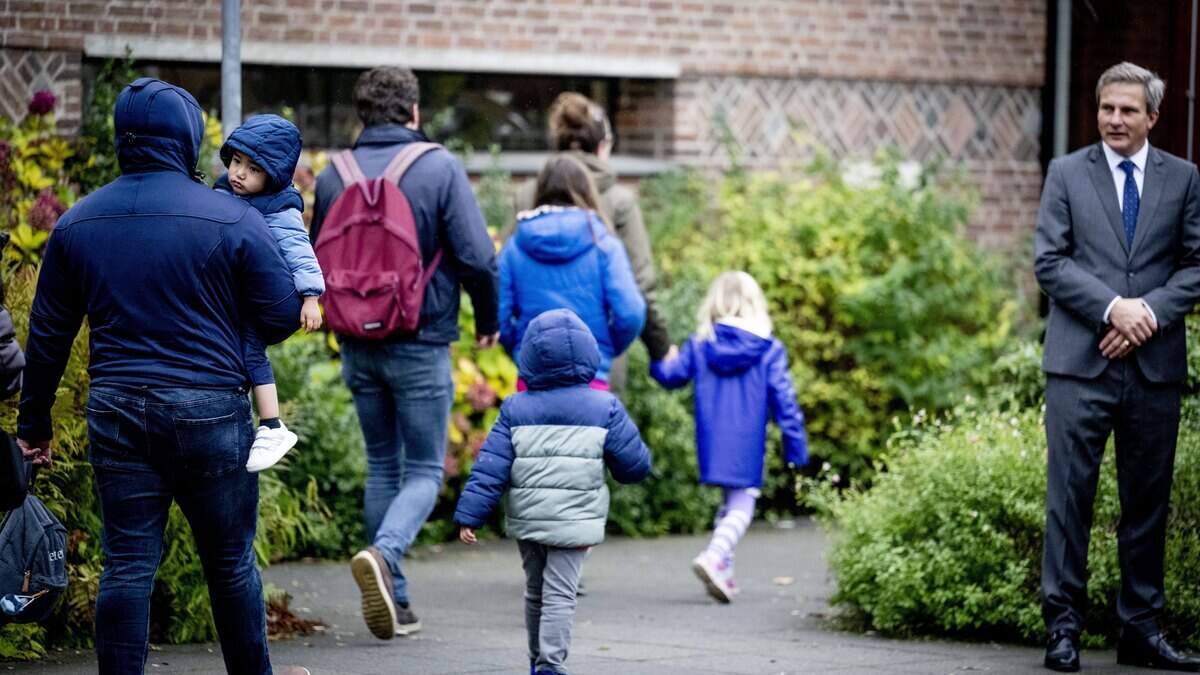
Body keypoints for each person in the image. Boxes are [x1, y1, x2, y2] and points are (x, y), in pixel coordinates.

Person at [15, 78, 308, 675]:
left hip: (118, 407)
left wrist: (34, 424)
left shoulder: (77, 223)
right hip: (211, 409)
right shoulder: (233, 218)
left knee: (127, 564)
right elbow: (281, 315)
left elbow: (47, 335)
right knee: (229, 565)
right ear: (189, 137)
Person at [310, 66, 500, 641]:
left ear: (361, 114)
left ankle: (400, 602)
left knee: (383, 466)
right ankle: (386, 554)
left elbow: (319, 259)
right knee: (422, 468)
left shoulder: (331, 175)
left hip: (357, 344)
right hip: (419, 339)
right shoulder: (437, 167)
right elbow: (476, 258)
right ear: (413, 112)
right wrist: (488, 321)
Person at [1034, 61, 1200, 673]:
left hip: (1153, 369)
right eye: (1107, 109)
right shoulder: (1066, 174)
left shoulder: (1183, 179)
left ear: (1153, 116)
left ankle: (1140, 631)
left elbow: (1195, 265)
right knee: (1069, 501)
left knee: (1147, 504)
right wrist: (1112, 310)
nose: (1115, 120)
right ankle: (1063, 630)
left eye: (1128, 110)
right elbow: (1049, 262)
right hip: (1080, 367)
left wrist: (1146, 315)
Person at [453, 308, 653, 675]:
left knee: (535, 591)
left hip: (529, 519)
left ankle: (536, 660)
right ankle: (550, 664)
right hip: (575, 519)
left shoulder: (515, 407)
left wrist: (471, 514)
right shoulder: (603, 406)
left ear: (528, 357)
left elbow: (491, 465)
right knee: (561, 593)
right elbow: (635, 465)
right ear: (589, 355)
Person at [649, 271, 808, 603]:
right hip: (747, 440)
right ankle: (714, 555)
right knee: (743, 505)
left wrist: (661, 357)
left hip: (711, 437)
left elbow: (672, 376)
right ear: (754, 304)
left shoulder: (700, 344)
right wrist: (796, 446)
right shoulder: (768, 348)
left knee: (729, 503)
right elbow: (785, 400)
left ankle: (724, 573)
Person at [513, 92, 670, 391]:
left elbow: (504, 278)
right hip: (600, 364)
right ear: (602, 147)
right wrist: (659, 348)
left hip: (536, 355)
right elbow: (640, 288)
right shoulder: (619, 201)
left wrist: (518, 346)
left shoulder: (527, 195)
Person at [215, 113, 325, 472]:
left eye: (253, 168)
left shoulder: (280, 209)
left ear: (274, 175)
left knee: (251, 350)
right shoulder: (220, 192)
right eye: (235, 161)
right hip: (233, 295)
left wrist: (311, 297)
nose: (239, 173)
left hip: (260, 302)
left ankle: (273, 425)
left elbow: (300, 250)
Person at [500, 154, 646, 389]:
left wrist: (519, 348)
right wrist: (606, 348)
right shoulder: (604, 246)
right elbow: (631, 313)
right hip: (591, 378)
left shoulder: (514, 247)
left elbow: (500, 316)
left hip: (532, 380)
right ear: (587, 191)